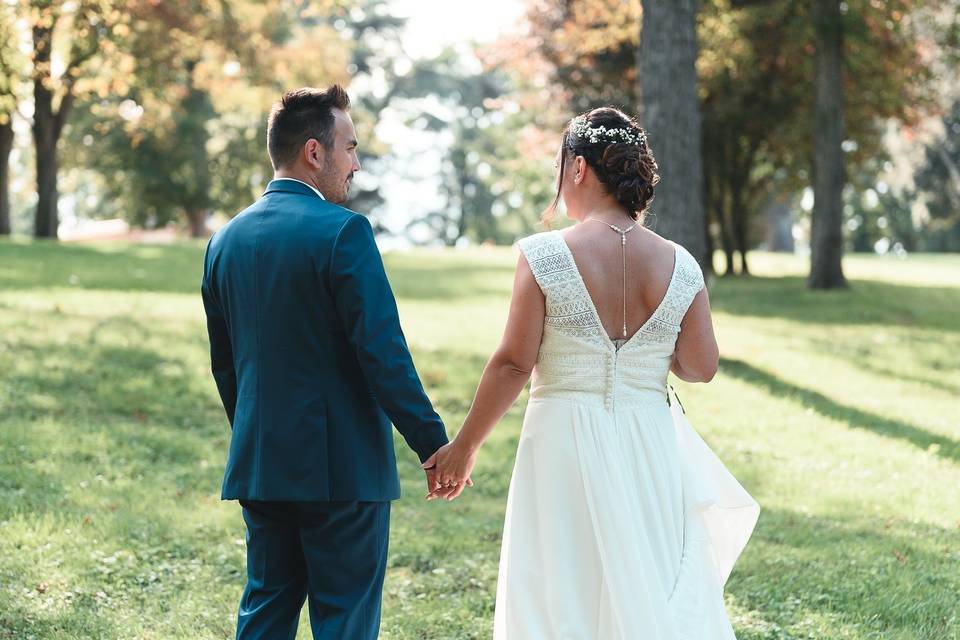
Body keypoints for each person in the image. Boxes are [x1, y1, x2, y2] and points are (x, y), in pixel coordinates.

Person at [424, 107, 758, 638]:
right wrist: (652, 341)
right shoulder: (681, 264)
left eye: (560, 168)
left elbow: (514, 362)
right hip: (649, 442)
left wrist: (463, 447)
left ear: (578, 167)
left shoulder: (546, 255)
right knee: (647, 577)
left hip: (562, 441)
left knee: (562, 588)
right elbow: (700, 367)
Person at [200, 85, 461, 640]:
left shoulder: (224, 241)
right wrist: (433, 443)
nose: (356, 163)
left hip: (262, 462)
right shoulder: (345, 232)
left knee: (266, 612)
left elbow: (226, 367)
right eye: (349, 147)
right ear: (314, 153)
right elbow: (382, 354)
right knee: (345, 621)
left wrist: (258, 435)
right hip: (342, 470)